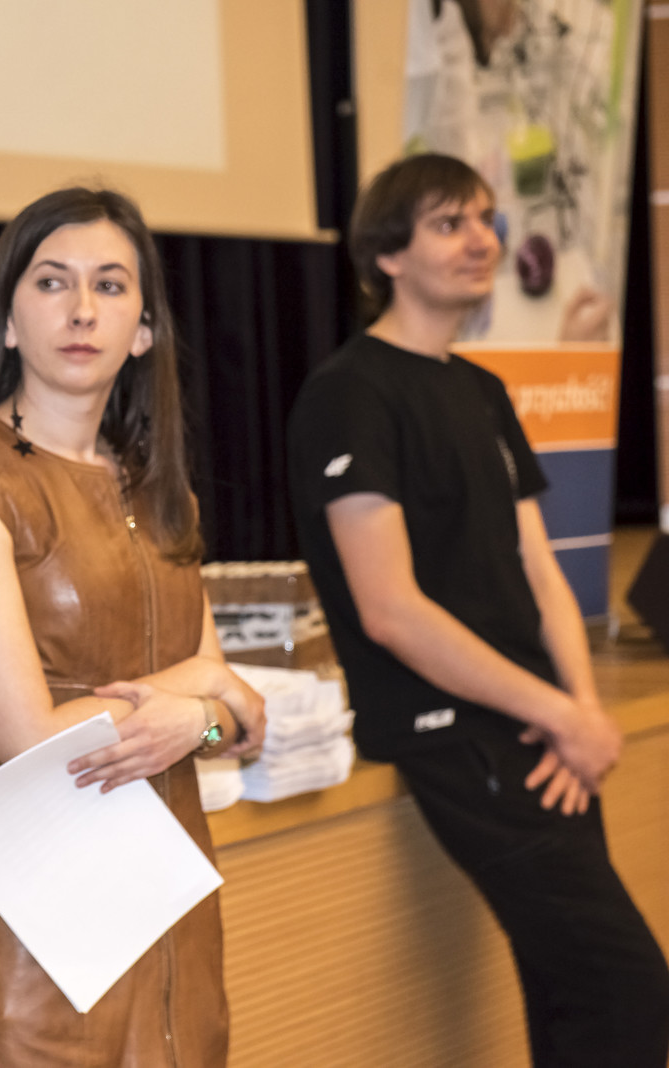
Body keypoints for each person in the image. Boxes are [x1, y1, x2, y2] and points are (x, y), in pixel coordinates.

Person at [286, 152, 669, 1066]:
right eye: (449, 223)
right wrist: (560, 716)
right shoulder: (349, 394)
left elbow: (540, 572)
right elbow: (390, 610)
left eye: (487, 220)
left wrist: (579, 708)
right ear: (387, 254)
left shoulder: (482, 389)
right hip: (454, 733)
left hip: (536, 727)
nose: (483, 240)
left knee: (577, 998)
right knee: (627, 985)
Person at [0, 187, 266, 1067]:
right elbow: (30, 737)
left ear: (145, 329)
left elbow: (239, 724)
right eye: (53, 282)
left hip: (172, 918)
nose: (83, 308)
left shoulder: (159, 487)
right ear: (8, 321)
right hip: (34, 934)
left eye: (110, 285)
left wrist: (203, 717)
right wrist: (205, 688)